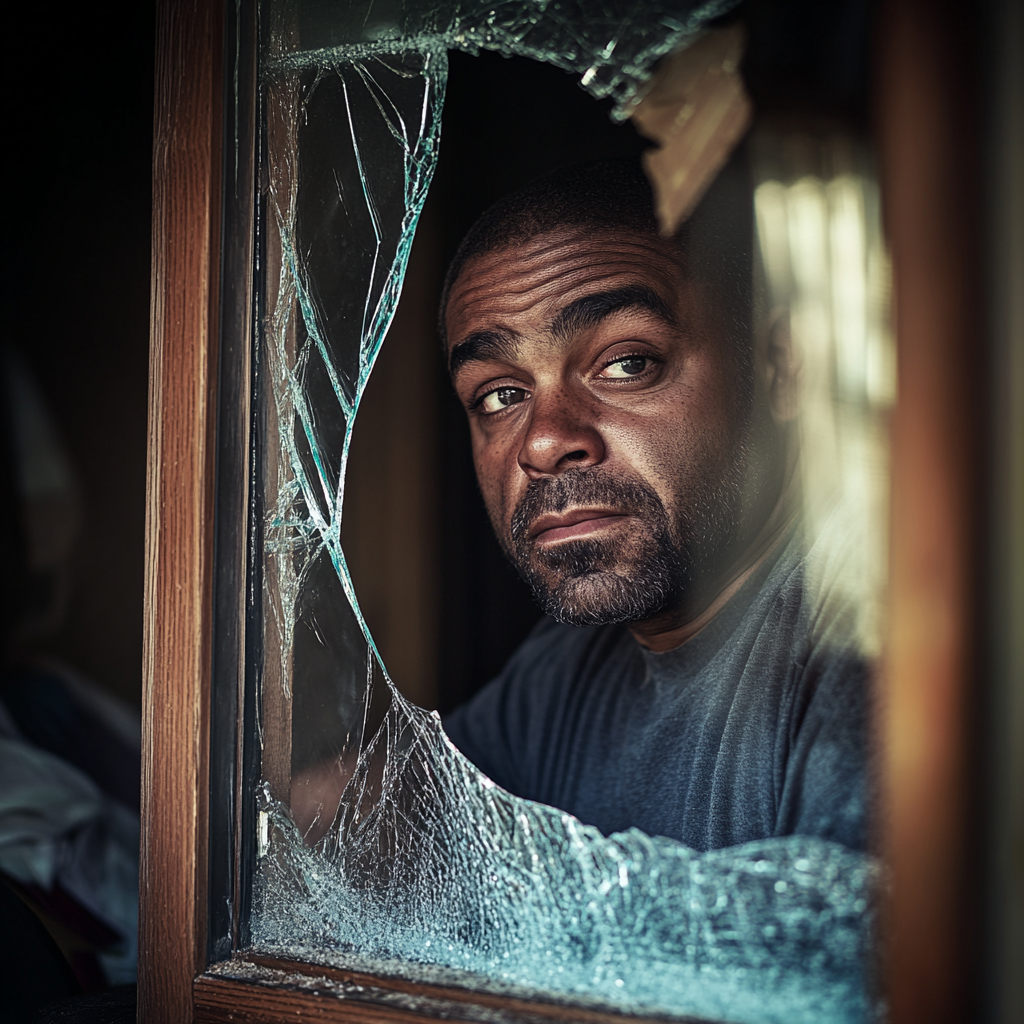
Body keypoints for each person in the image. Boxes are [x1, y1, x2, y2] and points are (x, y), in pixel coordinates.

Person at [440, 159, 868, 854]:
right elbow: (374, 807)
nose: (544, 442)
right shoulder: (565, 673)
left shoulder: (874, 641)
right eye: (501, 394)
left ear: (783, 367)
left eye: (627, 362)